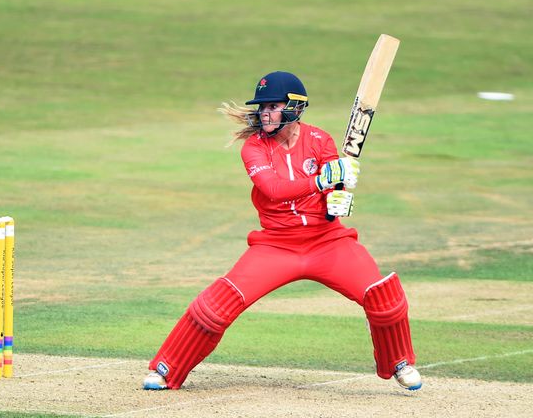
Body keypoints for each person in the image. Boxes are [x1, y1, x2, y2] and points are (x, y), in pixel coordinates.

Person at [143, 71, 421, 391]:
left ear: (295, 108)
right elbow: (273, 189)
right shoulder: (253, 147)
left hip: (327, 242)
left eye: (272, 106)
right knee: (214, 308)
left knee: (384, 297)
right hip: (276, 245)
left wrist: (340, 195)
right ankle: (167, 368)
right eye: (262, 107)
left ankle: (399, 362)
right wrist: (320, 180)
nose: (265, 113)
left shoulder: (320, 140)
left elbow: (332, 200)